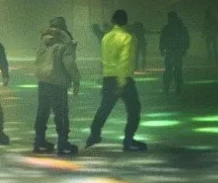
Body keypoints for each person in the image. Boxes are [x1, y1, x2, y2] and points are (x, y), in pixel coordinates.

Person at [85, 9, 147, 152]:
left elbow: (104, 58)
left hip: (108, 77)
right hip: (122, 78)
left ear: (113, 21)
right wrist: (122, 82)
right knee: (134, 110)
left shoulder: (106, 37)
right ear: (126, 22)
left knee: (105, 108)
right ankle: (128, 140)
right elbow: (125, 61)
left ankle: (94, 133)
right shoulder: (128, 38)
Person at [33, 17, 80, 155]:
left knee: (42, 112)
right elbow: (69, 64)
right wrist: (76, 79)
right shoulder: (64, 43)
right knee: (61, 114)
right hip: (57, 82)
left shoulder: (43, 41)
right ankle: (63, 143)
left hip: (43, 81)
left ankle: (39, 141)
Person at [160, 11, 190, 94]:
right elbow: (186, 39)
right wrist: (185, 49)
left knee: (170, 69)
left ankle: (168, 86)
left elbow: (162, 39)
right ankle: (177, 86)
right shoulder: (180, 27)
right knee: (176, 69)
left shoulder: (167, 28)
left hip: (171, 51)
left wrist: (162, 49)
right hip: (176, 51)